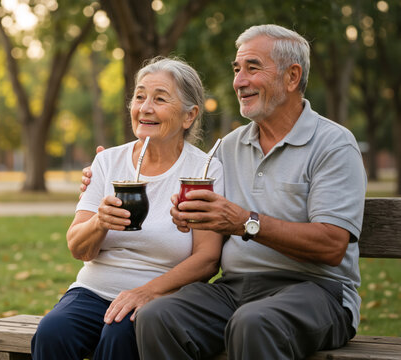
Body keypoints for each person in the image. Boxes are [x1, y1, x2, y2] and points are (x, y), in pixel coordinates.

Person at [80, 25, 367, 359]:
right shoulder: (228, 148)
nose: (239, 81)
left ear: (292, 77)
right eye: (236, 69)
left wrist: (247, 222)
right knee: (156, 316)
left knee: (254, 322)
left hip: (317, 291)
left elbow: (332, 245)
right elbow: (181, 177)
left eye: (252, 68)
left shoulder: (333, 144)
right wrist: (105, 175)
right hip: (234, 289)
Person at [31, 57, 224, 360]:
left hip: (160, 298)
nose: (145, 107)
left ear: (189, 116)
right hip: (92, 291)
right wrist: (100, 222)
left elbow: (208, 259)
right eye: (139, 96)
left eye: (160, 99)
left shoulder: (204, 171)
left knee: (118, 336)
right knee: (53, 332)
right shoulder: (107, 162)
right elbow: (78, 248)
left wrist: (148, 291)